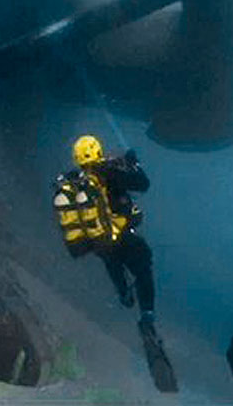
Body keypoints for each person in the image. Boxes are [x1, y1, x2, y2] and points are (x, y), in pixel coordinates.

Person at [53, 135, 156, 329]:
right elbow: (143, 184)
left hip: (99, 240)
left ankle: (123, 292)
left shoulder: (77, 183)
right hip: (123, 235)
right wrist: (134, 164)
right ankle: (147, 315)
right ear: (98, 151)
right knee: (143, 267)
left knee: (111, 258)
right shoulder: (109, 173)